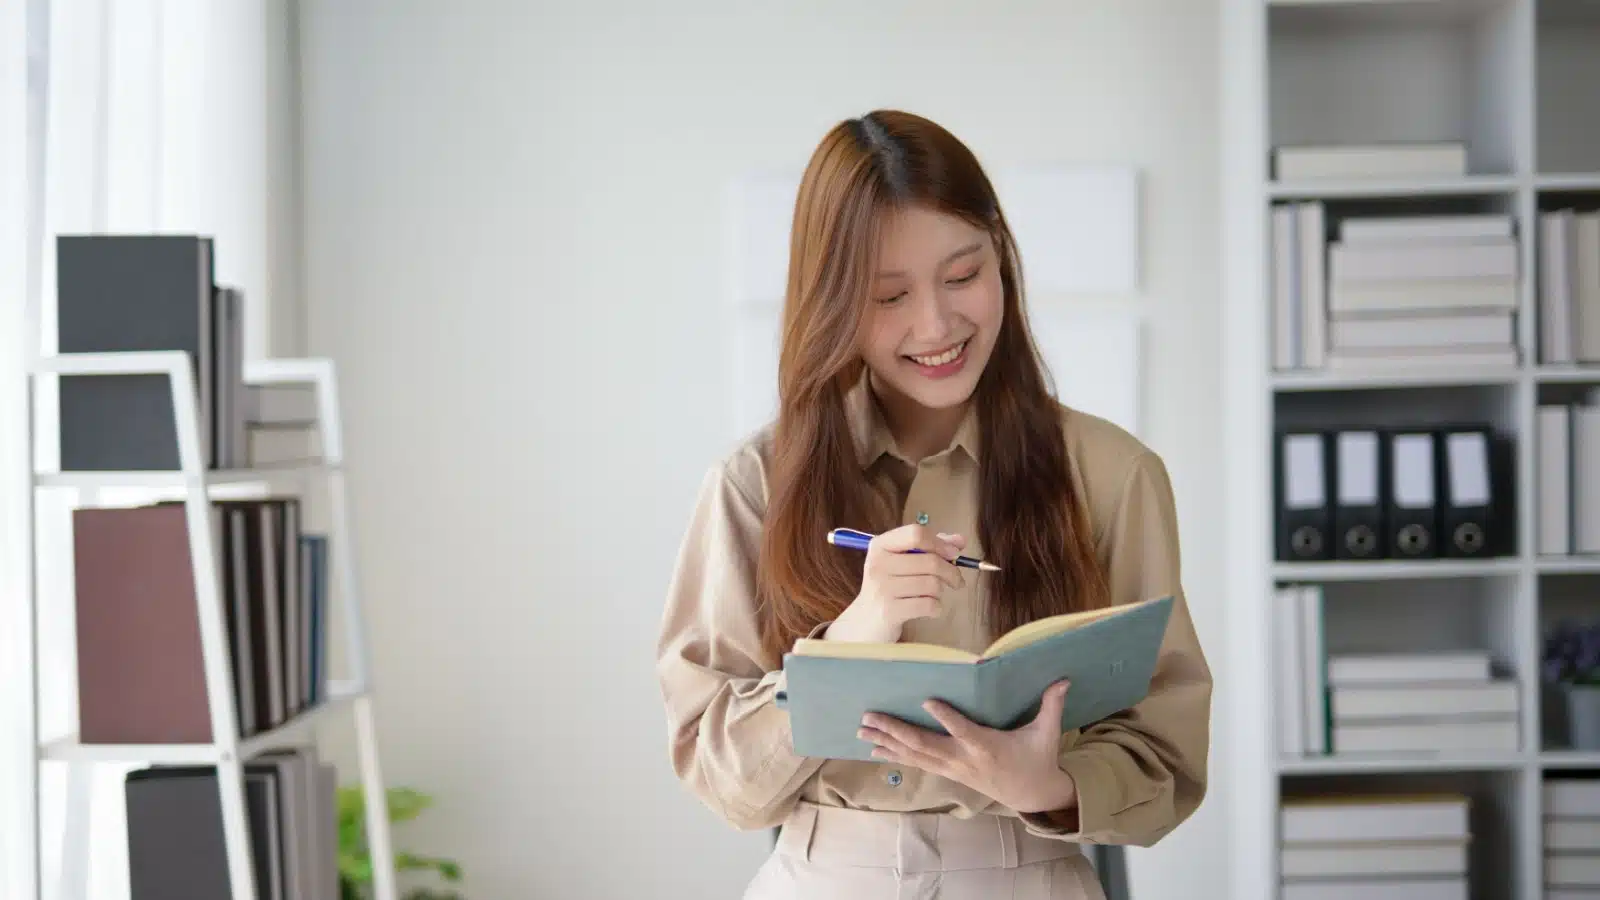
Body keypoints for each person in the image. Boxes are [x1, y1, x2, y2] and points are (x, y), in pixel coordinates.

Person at [655, 109, 1212, 900]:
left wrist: (1046, 783)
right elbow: (724, 782)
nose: (937, 325)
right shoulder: (753, 483)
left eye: (962, 276)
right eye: (889, 296)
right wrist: (852, 638)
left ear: (1002, 261)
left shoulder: (1111, 473)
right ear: (834, 302)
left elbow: (1170, 759)